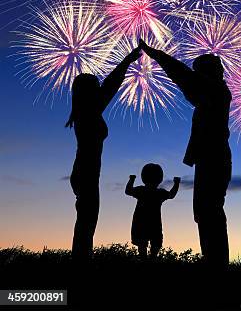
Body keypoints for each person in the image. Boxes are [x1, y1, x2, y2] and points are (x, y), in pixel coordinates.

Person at [139, 40, 232, 268]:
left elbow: (183, 77)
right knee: (206, 212)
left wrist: (157, 55)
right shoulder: (214, 94)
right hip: (211, 160)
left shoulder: (215, 91)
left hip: (213, 161)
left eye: (199, 72)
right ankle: (214, 263)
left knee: (208, 212)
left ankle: (216, 266)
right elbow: (185, 79)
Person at [66, 46, 142, 260]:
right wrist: (127, 61)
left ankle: (81, 260)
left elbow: (108, 86)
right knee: (86, 223)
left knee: (86, 222)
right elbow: (110, 86)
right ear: (89, 92)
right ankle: (81, 262)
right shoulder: (89, 111)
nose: (99, 87)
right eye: (95, 86)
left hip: (84, 172)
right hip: (86, 173)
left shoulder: (84, 112)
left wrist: (127, 62)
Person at [125, 163, 180, 259]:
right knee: (154, 245)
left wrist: (131, 180)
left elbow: (128, 191)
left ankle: (146, 261)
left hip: (141, 223)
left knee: (143, 246)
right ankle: (151, 261)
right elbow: (171, 195)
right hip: (154, 223)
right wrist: (176, 184)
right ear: (160, 178)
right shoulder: (159, 193)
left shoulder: (141, 190)